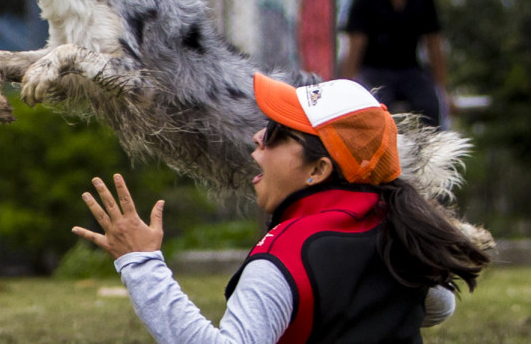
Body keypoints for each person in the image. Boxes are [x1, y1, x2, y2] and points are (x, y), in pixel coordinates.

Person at [72, 74, 490, 343]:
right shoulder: (396, 228)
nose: (257, 137)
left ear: (320, 169)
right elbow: (437, 307)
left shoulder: (286, 256)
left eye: (275, 132)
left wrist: (141, 263)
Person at [340, 0, 449, 127]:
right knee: (373, 110)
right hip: (375, 71)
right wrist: (347, 89)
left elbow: (434, 45)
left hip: (411, 71)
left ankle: (430, 155)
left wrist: (442, 90)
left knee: (430, 106)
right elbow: (355, 46)